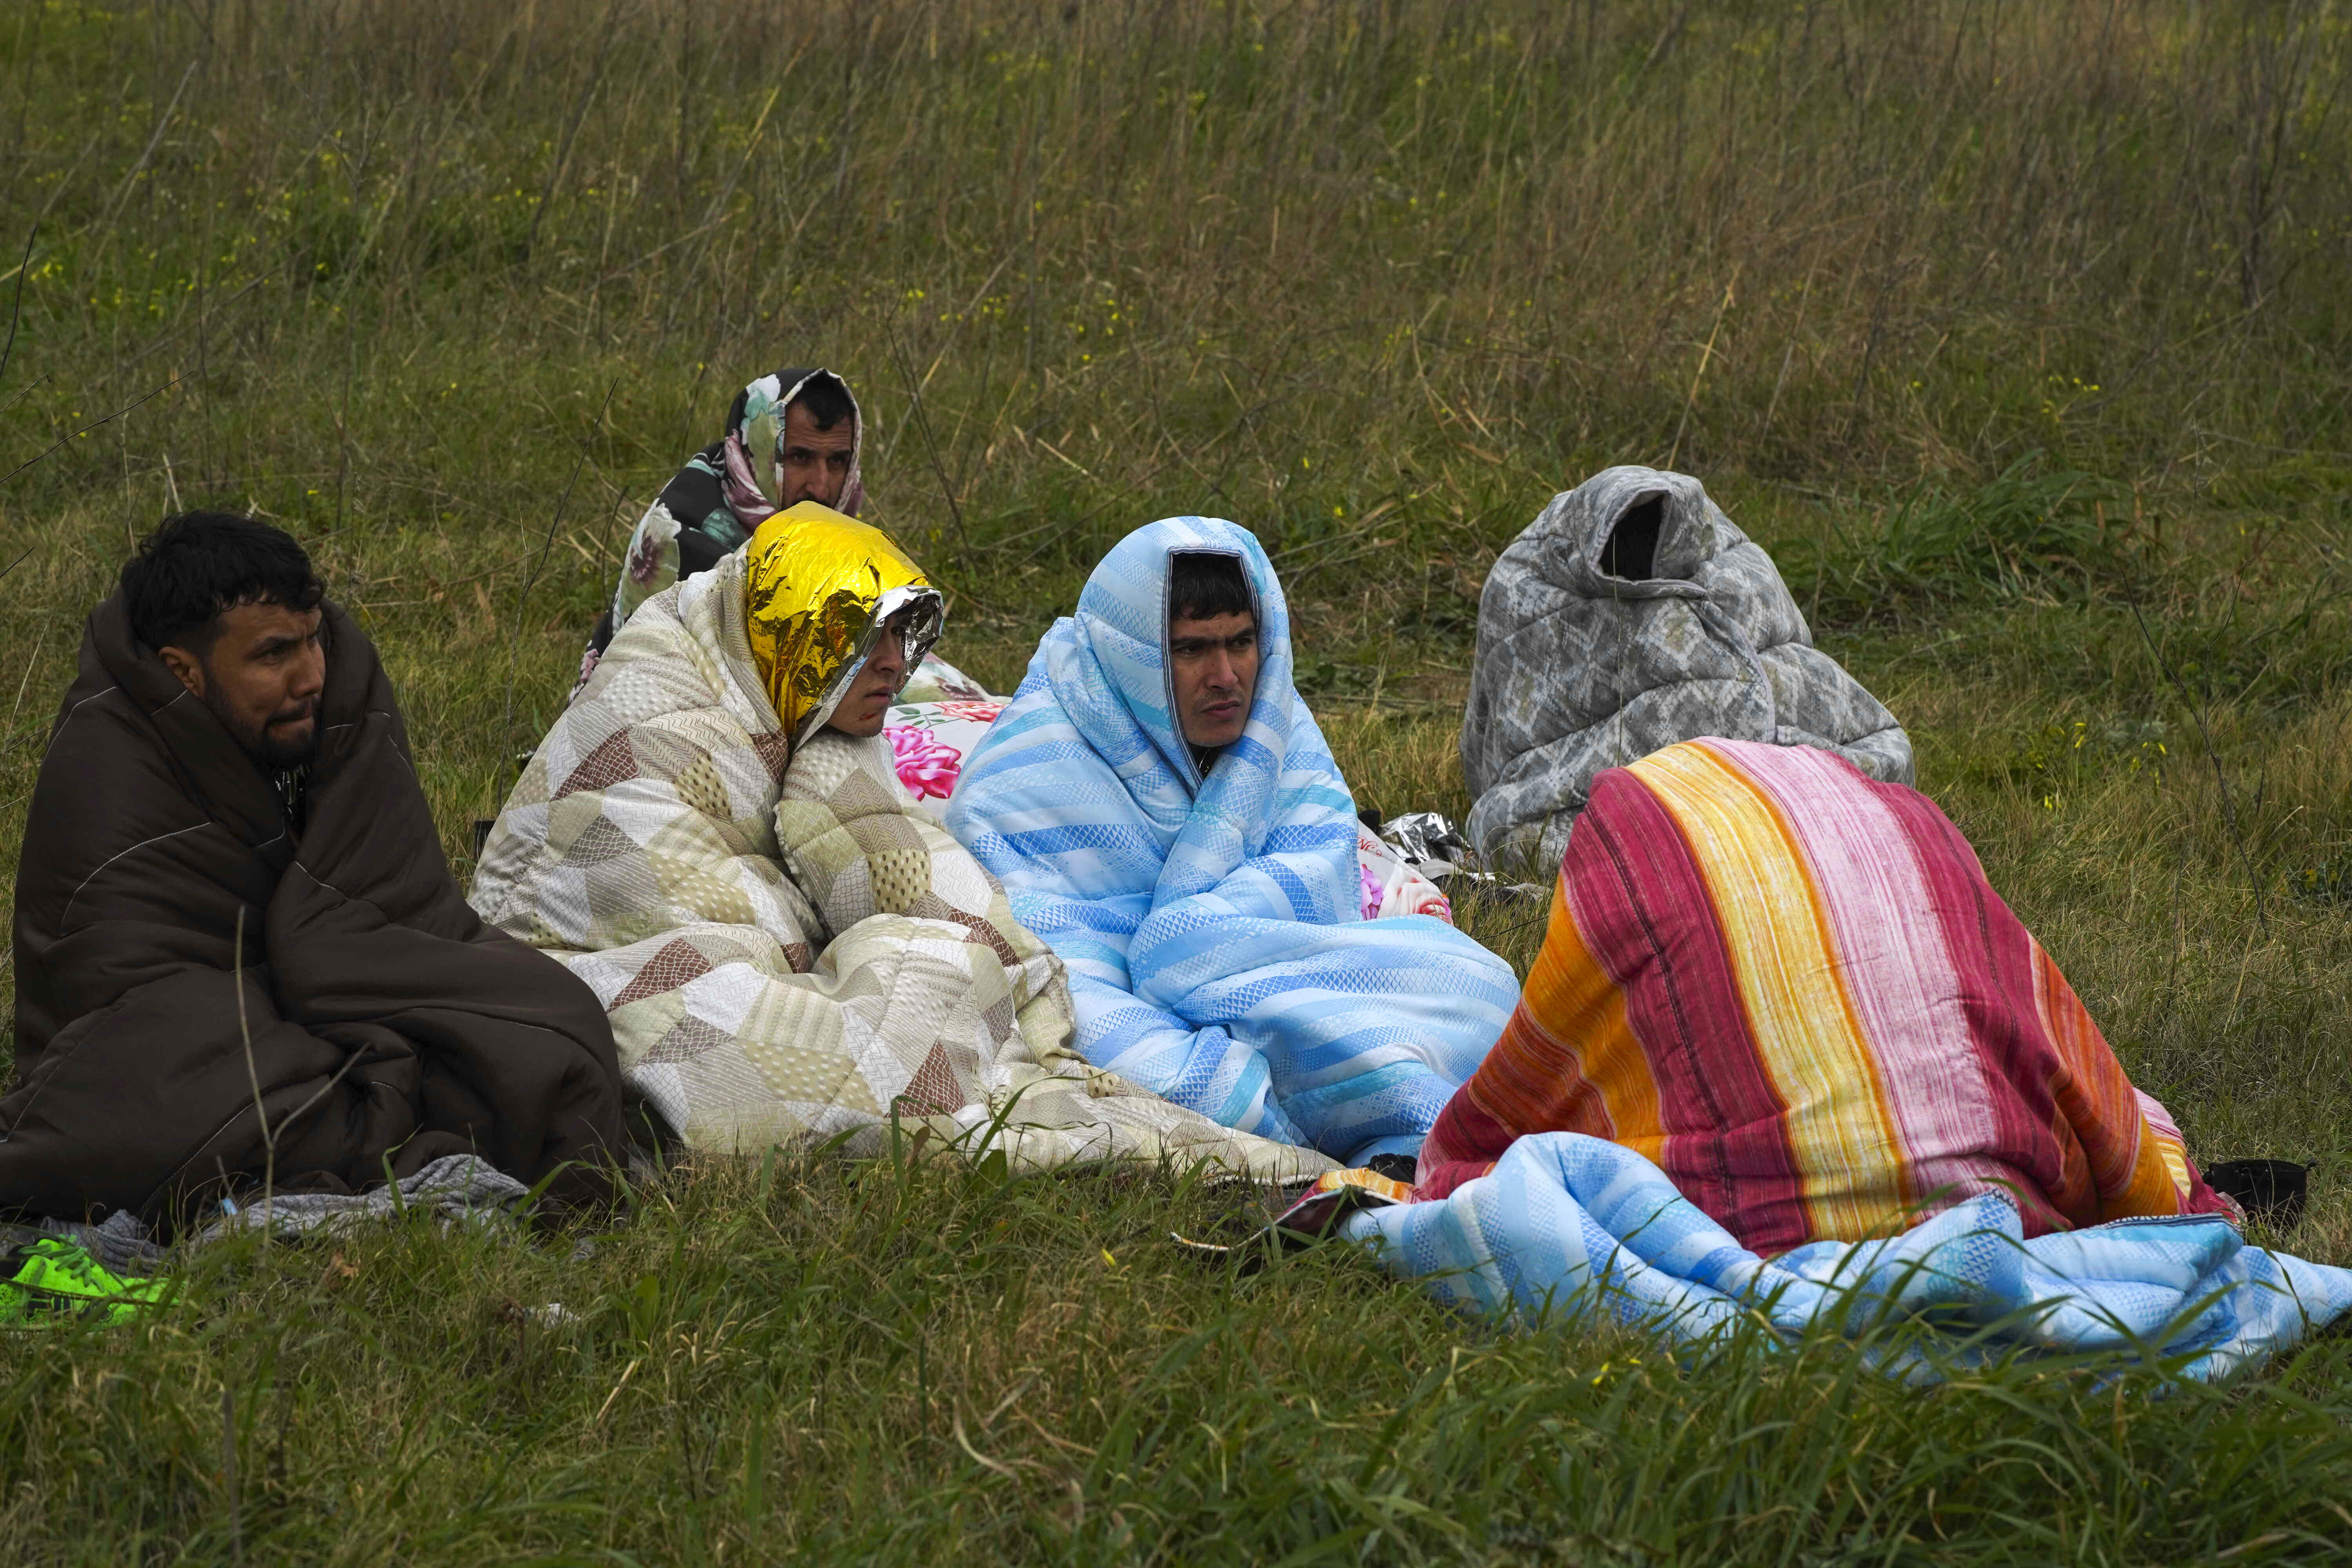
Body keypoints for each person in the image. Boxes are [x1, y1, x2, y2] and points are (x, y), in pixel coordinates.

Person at [472, 501, 1323, 1183]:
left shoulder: (813, 720)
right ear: (792, 629)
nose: (893, 663)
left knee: (940, 977)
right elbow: (649, 896)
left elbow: (897, 862)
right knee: (923, 988)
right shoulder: (662, 719)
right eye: (863, 633)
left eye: (903, 635)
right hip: (588, 987)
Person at [1, 512, 628, 1227]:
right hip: (172, 1032)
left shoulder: (330, 681)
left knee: (557, 1024)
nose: (310, 676)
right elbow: (120, 986)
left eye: (312, 640)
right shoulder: (106, 759)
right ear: (183, 670)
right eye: (273, 656)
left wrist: (336, 971)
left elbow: (393, 892)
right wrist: (322, 993)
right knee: (169, 1119)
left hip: (323, 998)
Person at [1415, 736, 2237, 1252]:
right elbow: (2067, 1058)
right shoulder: (1918, 838)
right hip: (2008, 1188)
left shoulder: (1635, 855)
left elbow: (1516, 1101)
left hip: (1769, 1227)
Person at [944, 518, 1520, 1169]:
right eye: (1191, 650)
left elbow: (1317, 873)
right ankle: (1331, 1130)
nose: (1226, 676)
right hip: (1123, 1002)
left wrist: (1192, 945)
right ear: (1131, 651)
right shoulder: (1024, 776)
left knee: (1485, 984)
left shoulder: (1275, 725)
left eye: (1242, 642)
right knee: (1158, 1069)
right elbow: (1050, 961)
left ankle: (1398, 1124)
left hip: (1269, 982)